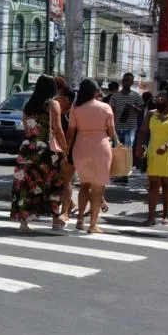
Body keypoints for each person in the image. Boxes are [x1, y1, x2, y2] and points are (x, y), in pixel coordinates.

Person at [11, 75, 67, 232]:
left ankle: (24, 222)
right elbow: (57, 129)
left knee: (26, 185)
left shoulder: (28, 106)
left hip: (27, 149)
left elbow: (27, 129)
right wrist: (65, 149)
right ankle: (56, 221)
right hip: (46, 151)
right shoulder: (52, 104)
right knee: (53, 184)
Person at [67, 79, 118, 233]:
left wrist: (66, 151)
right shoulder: (105, 107)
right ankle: (93, 224)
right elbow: (111, 132)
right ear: (95, 91)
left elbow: (70, 133)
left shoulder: (75, 108)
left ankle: (80, 219)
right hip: (100, 148)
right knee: (97, 188)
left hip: (80, 147)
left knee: (84, 185)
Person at [136, 85, 168, 226]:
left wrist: (167, 145)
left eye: (162, 97)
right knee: (153, 185)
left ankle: (166, 216)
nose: (158, 99)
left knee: (167, 185)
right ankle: (151, 217)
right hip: (154, 152)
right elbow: (143, 131)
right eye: (157, 96)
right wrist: (139, 146)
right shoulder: (151, 114)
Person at [108, 73, 144, 183]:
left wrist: (134, 107)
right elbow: (111, 112)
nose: (127, 82)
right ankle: (118, 173)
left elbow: (142, 110)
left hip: (130, 128)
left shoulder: (136, 96)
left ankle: (125, 175)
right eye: (125, 80)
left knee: (127, 151)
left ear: (132, 82)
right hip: (117, 128)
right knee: (118, 151)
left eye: (129, 81)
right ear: (122, 81)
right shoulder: (115, 96)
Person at [54, 76, 76, 218]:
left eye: (59, 95)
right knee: (60, 180)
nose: (56, 97)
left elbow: (69, 133)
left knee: (66, 181)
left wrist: (66, 151)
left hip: (68, 149)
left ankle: (65, 211)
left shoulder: (72, 113)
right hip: (57, 148)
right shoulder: (55, 109)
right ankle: (70, 205)